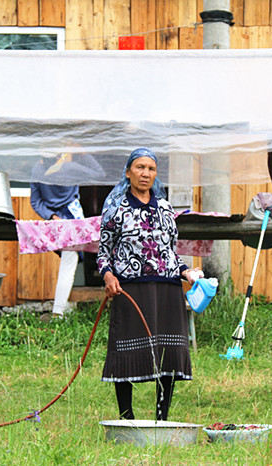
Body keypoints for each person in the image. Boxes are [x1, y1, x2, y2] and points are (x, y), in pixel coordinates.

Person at [98, 147, 201, 421]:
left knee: (168, 353)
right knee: (126, 352)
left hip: (167, 288)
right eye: (140, 167)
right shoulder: (115, 209)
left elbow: (170, 251)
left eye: (151, 169)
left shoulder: (166, 208)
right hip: (131, 288)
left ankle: (162, 418)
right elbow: (103, 252)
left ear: (156, 174)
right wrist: (108, 275)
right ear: (129, 171)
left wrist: (186, 272)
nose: (146, 173)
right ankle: (127, 417)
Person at [30, 154, 86, 320]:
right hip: (73, 217)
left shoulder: (36, 170)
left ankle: (58, 310)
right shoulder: (71, 167)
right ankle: (58, 312)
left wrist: (52, 216)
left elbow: (35, 201)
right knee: (69, 261)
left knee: (68, 260)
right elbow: (99, 172)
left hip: (55, 221)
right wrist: (82, 152)